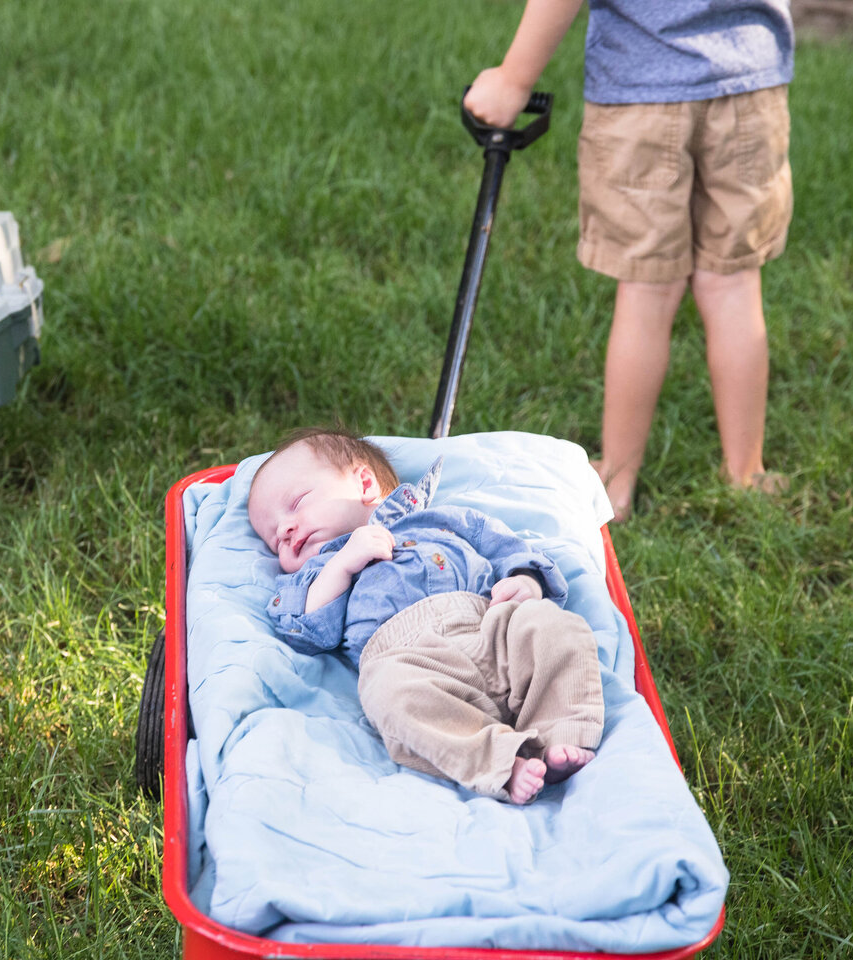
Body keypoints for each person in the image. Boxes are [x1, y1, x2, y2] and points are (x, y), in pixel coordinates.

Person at [464, 0, 794, 521]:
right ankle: (745, 473)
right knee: (733, 284)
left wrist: (513, 78)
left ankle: (616, 485)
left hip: (640, 97)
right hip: (748, 88)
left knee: (647, 291)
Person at [247, 428, 604, 804]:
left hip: (485, 625)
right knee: (388, 695)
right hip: (407, 661)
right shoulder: (319, 571)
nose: (285, 530)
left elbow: (505, 546)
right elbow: (305, 629)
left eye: (297, 503)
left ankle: (559, 731)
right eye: (275, 540)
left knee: (552, 626)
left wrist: (526, 580)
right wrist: (342, 565)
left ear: (364, 483)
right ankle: (501, 760)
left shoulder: (440, 519)